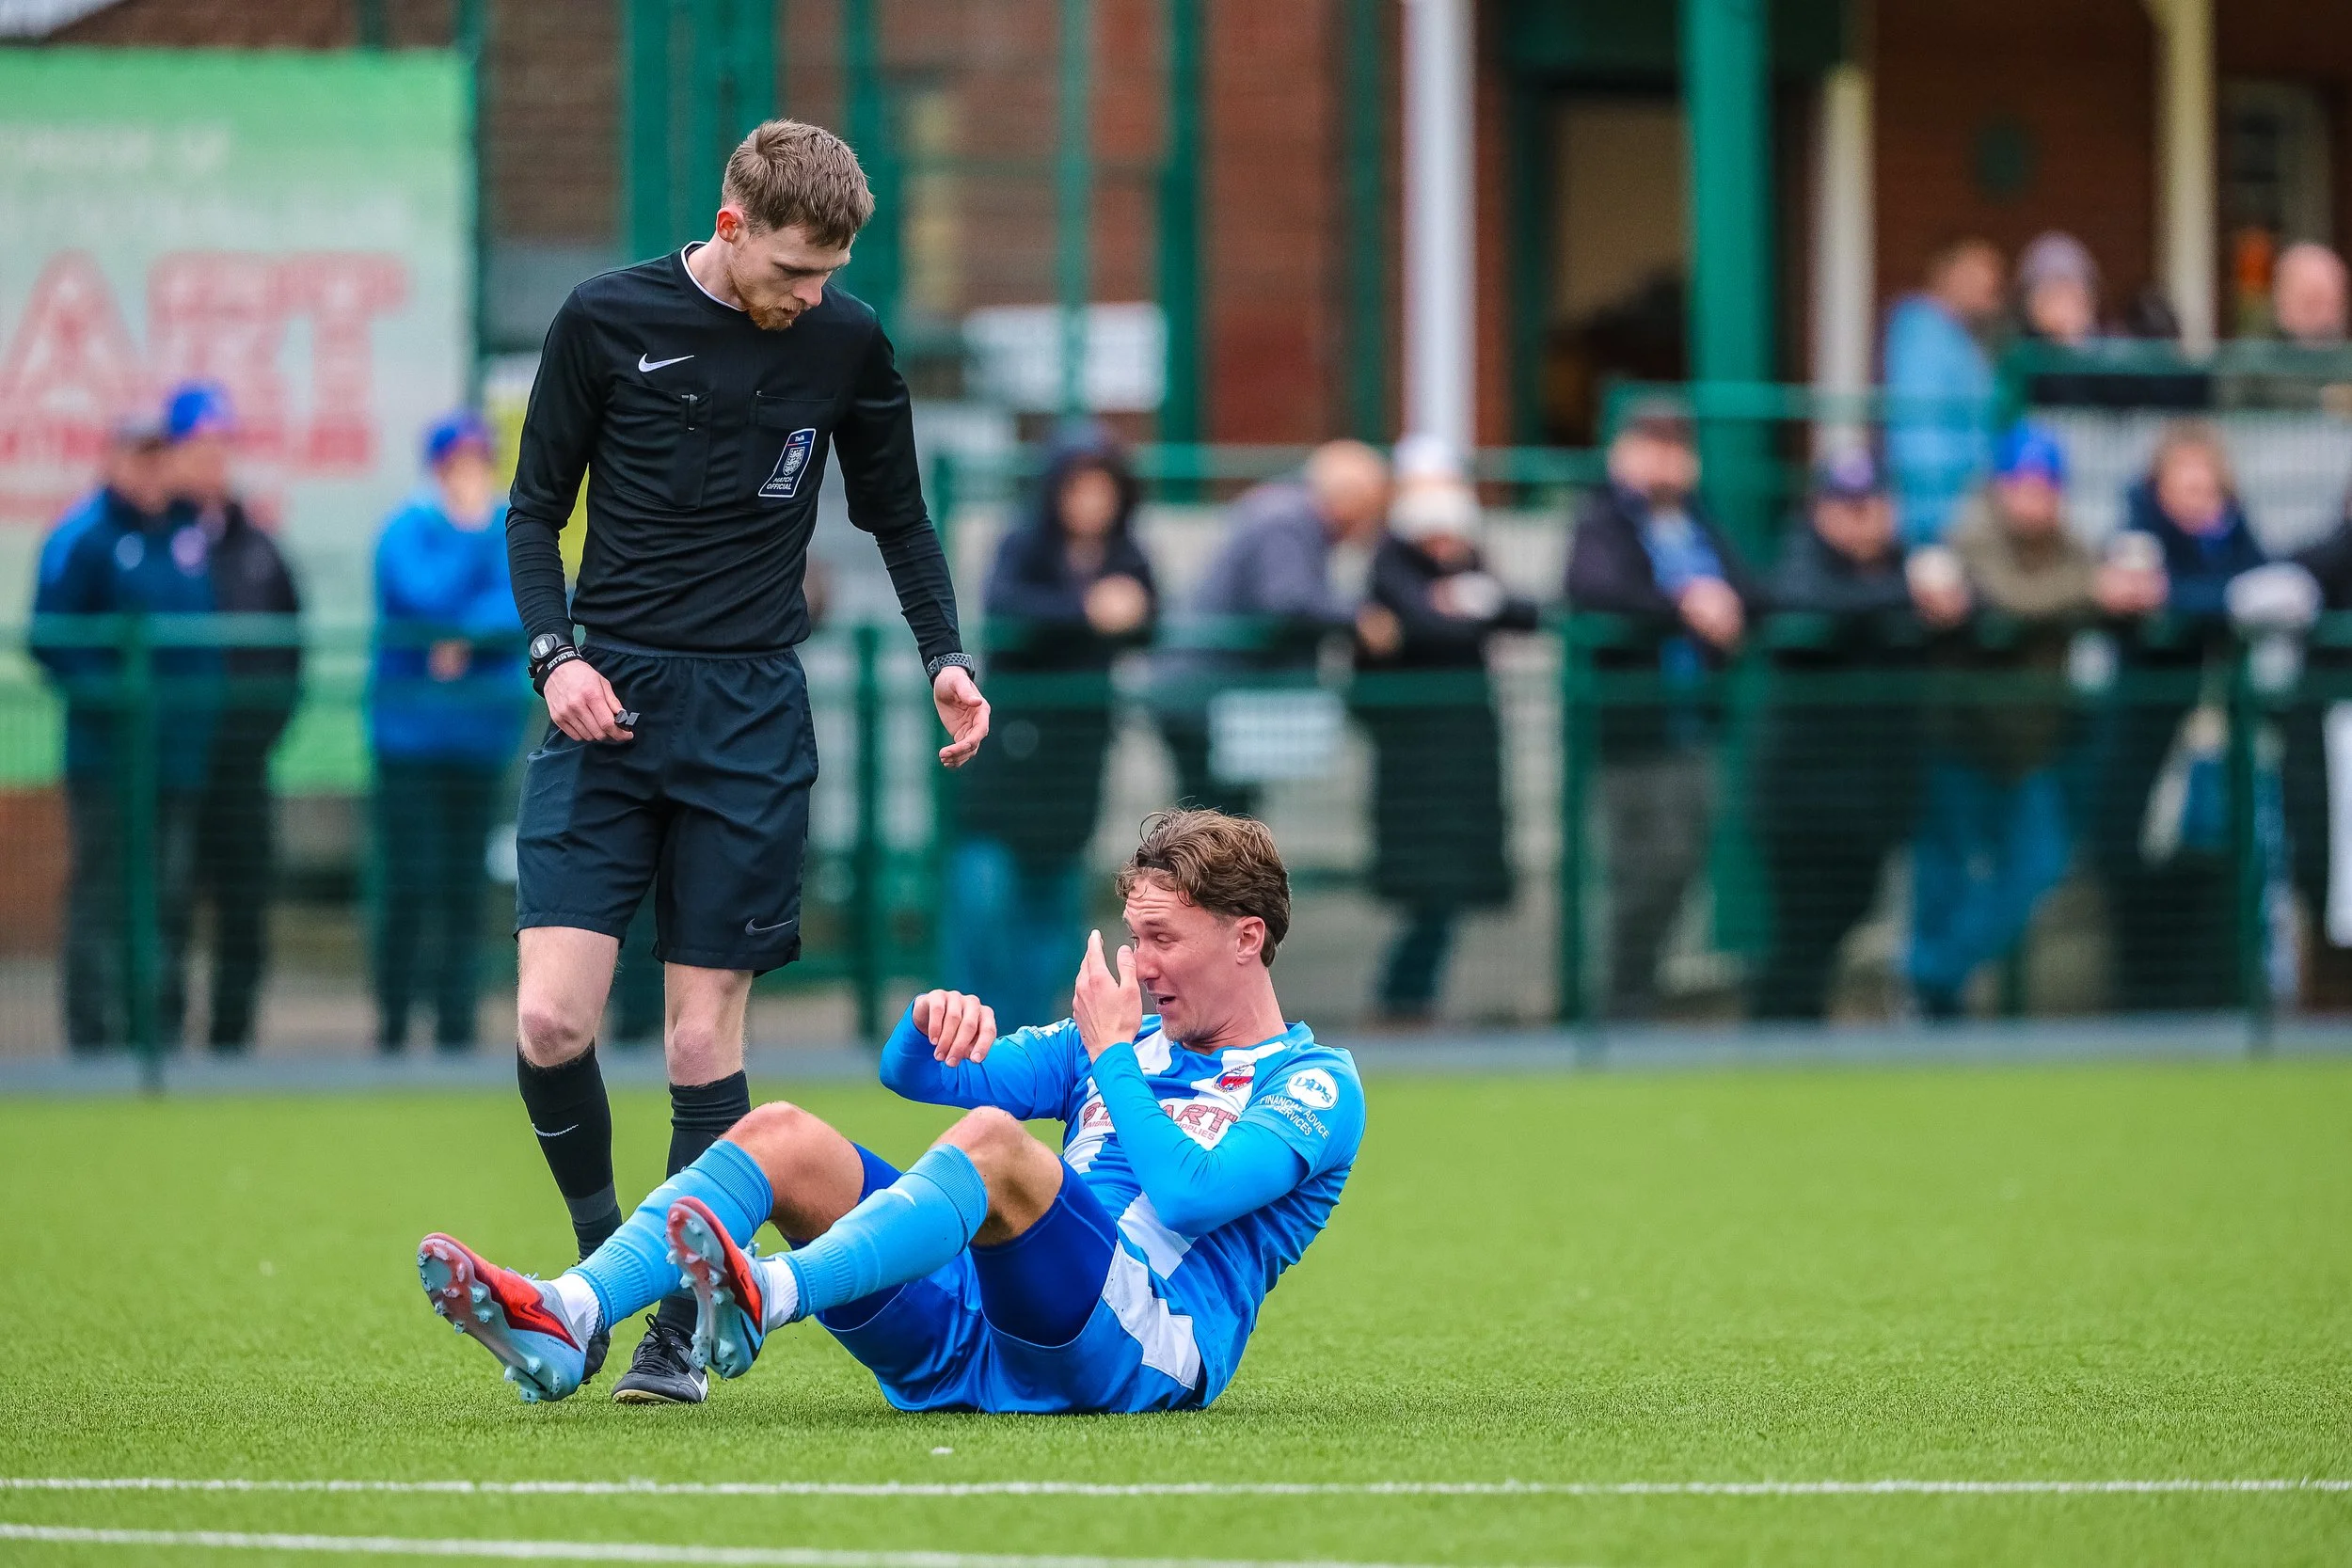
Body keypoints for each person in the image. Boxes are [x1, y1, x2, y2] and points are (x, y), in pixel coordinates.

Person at [500, 119, 990, 1404]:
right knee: (553, 1015)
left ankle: (662, 1315)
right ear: (729, 228)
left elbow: (898, 513)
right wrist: (556, 657)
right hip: (607, 697)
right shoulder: (604, 318)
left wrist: (947, 652)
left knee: (697, 1035)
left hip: (752, 717)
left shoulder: (847, 338)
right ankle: (602, 1259)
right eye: (789, 270)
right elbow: (532, 509)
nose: (808, 297)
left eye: (828, 274)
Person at [416, 809, 1363, 1418]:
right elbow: (920, 1078)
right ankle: (570, 1314)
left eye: (1162, 938)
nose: (1139, 962)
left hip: (1135, 1355)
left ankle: (768, 1296)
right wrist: (926, 1027)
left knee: (997, 1148)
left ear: (1247, 939)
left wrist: (1112, 1056)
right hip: (978, 1329)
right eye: (1133, 935)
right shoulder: (1116, 1037)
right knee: (781, 1132)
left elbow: (1188, 1195)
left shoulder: (1314, 1084)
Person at [1911, 425, 2151, 1017]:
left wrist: (2120, 586)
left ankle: (1931, 974)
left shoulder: (2071, 545)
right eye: (2021, 485)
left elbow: (2119, 590)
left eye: (2045, 487)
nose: (2033, 499)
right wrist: (2091, 590)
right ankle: (1932, 998)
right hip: (1962, 737)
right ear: (2000, 486)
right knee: (1945, 878)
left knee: (2038, 867)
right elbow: (2008, 596)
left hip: (2033, 748)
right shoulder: (1971, 533)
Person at [948, 422, 1157, 1029]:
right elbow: (1008, 607)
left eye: (1103, 489)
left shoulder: (1126, 552)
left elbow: (1149, 615)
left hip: (1077, 754)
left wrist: (1128, 610)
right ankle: (976, 1028)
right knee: (985, 900)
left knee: (1056, 903)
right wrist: (1091, 612)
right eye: (1078, 488)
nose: (1091, 503)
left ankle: (1033, 1032)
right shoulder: (1024, 545)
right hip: (1011, 753)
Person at [1752, 451, 1967, 1021]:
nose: (1862, 518)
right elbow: (1802, 602)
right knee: (1802, 931)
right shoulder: (1805, 554)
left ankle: (1793, 1035)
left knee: (1853, 907)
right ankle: (1774, 1042)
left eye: (1872, 504)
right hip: (1804, 796)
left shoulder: (1908, 562)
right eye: (1846, 506)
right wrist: (1908, 598)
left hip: (1874, 791)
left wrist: (1947, 601)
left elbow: (1972, 606)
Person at [29, 415, 217, 1052]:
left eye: (160, 458)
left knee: (169, 890)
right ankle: (93, 1034)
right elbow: (49, 639)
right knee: (103, 889)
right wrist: (118, 694)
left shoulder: (186, 532)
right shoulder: (82, 536)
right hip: (107, 754)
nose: (151, 472)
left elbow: (204, 639)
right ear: (113, 461)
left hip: (176, 755)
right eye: (139, 458)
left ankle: (157, 1030)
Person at [1564, 404, 1756, 1017]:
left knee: (1684, 864)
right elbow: (1596, 589)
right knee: (1645, 869)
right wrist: (1684, 606)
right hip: (1632, 729)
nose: (1667, 459)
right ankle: (1620, 999)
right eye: (1652, 444)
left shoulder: (1700, 521)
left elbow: (1752, 588)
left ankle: (1634, 993)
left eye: (1678, 446)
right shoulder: (1602, 518)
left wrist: (1726, 605)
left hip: (1696, 724)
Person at [2093, 422, 2265, 1013]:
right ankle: (2141, 1003)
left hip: (2213, 749)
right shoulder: (2135, 534)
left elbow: (2257, 589)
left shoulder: (2235, 536)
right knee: (2134, 871)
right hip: (2140, 746)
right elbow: (2134, 596)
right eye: (2185, 485)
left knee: (2216, 868)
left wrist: (2187, 596)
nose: (2199, 498)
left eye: (2208, 486)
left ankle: (2209, 1002)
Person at [370, 412, 528, 1053]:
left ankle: (456, 1024)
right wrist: (467, 540)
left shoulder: (506, 527)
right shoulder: (408, 528)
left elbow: (521, 599)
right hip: (409, 740)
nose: (472, 474)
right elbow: (420, 593)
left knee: (465, 887)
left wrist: (464, 636)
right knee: (411, 882)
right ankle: (395, 1020)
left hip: (478, 738)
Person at [1353, 471, 1537, 1022]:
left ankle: (1410, 998)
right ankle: (1402, 998)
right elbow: (1431, 626)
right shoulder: (1391, 571)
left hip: (1464, 766)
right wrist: (1465, 610)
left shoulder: (1470, 573)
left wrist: (1474, 603)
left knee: (1446, 892)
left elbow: (1525, 613)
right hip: (1415, 766)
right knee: (1427, 890)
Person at [165, 381, 304, 1053]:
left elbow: (290, 645)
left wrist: (260, 729)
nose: (213, 458)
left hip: (240, 759)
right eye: (199, 444)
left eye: (223, 443)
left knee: (243, 899)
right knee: (164, 896)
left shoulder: (257, 543)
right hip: (165, 760)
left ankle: (231, 1036)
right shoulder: (152, 536)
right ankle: (154, 1033)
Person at [1153, 441, 1390, 818]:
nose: (1368, 525)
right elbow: (1287, 600)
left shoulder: (1284, 512)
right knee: (1213, 827)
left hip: (1205, 694)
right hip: (1204, 695)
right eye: (1370, 509)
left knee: (1219, 824)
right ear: (1349, 497)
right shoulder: (1289, 518)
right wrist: (1356, 618)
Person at [1883, 236, 2004, 545]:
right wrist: (1936, 515)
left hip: (1968, 501)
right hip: (1939, 512)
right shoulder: (1923, 335)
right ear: (1948, 275)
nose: (1990, 288)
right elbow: (1918, 424)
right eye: (1978, 276)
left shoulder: (1959, 336)